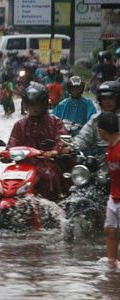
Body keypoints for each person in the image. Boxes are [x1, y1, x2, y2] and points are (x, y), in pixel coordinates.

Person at [4, 82, 69, 202]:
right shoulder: (19, 125)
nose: (33, 108)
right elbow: (12, 143)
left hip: (47, 163)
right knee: (7, 177)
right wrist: (5, 154)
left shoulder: (55, 122)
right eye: (30, 104)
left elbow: (62, 139)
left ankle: (53, 204)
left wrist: (55, 150)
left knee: (49, 176)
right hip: (23, 166)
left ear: (44, 103)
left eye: (36, 105)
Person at [75, 81, 120, 169]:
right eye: (104, 98)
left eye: (111, 98)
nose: (107, 101)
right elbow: (82, 137)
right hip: (99, 164)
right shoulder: (95, 119)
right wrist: (73, 147)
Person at [97, 111, 120, 268]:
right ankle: (111, 264)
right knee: (110, 230)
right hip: (114, 196)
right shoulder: (109, 146)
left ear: (102, 131)